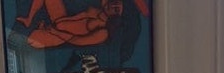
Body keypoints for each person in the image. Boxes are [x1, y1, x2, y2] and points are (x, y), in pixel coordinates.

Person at [16, 0, 149, 48]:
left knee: (29, 41)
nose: (113, 5)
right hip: (59, 19)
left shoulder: (103, 32)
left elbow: (76, 41)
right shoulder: (98, 10)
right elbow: (75, 18)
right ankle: (29, 19)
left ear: (117, 17)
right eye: (116, 3)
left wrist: (54, 31)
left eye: (116, 9)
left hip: (59, 36)